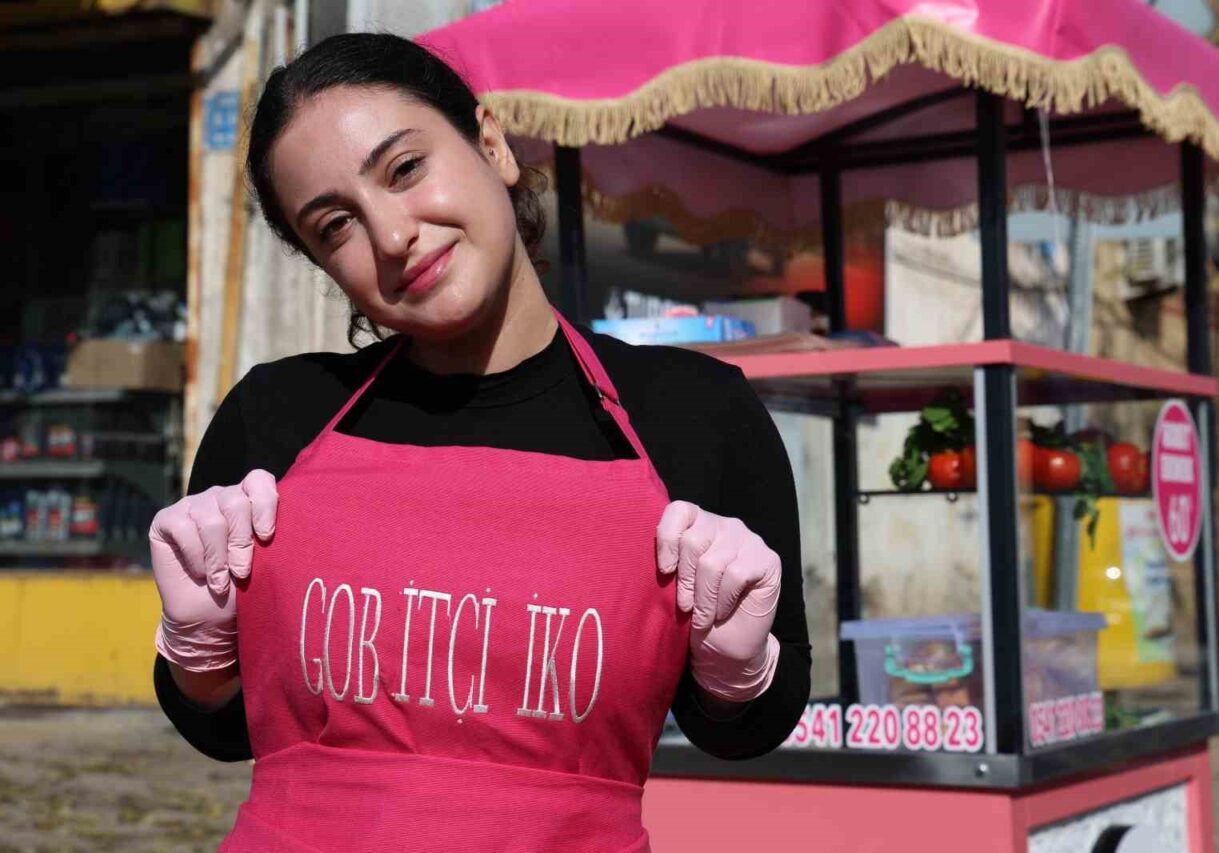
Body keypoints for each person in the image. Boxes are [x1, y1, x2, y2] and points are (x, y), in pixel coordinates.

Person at [150, 32, 810, 852]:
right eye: (336, 225)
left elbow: (749, 728)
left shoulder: (693, 413)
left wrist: (735, 668)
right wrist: (200, 653)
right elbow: (218, 729)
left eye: (404, 169)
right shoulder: (274, 418)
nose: (392, 235)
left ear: (490, 143)